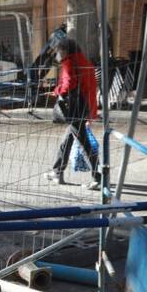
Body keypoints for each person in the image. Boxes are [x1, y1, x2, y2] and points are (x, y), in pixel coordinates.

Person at [46, 39, 101, 187]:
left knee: (85, 144)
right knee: (67, 140)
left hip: (75, 108)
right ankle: (57, 171)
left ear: (65, 50)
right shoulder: (85, 61)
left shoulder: (69, 62)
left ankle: (99, 177)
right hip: (85, 106)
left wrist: (57, 91)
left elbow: (69, 84)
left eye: (59, 50)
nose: (57, 54)